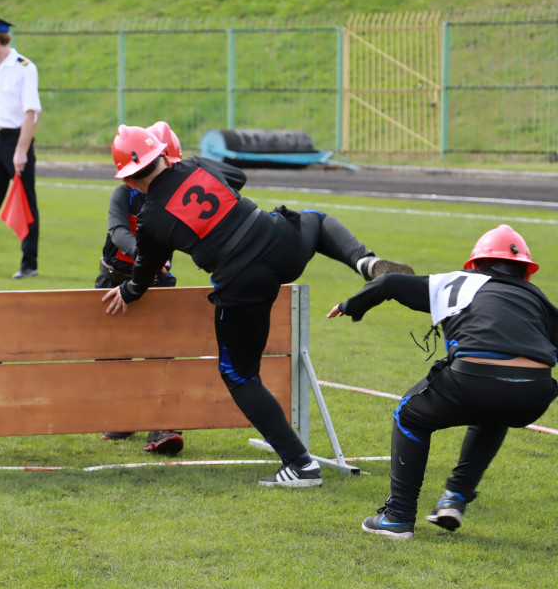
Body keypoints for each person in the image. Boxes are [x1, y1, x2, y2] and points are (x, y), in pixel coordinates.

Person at [101, 124, 414, 488]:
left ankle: (300, 465)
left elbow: (146, 269)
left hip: (242, 280)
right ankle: (363, 261)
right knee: (315, 219)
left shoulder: (152, 216)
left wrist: (128, 291)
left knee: (239, 375)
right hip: (277, 240)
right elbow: (239, 176)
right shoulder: (197, 165)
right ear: (162, 154)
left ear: (128, 178)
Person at [328, 224, 558, 540]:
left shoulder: (461, 281)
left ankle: (397, 517)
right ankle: (455, 498)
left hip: (472, 379)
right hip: (533, 393)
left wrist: (351, 306)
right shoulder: (539, 300)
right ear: (527, 274)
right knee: (496, 412)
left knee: (409, 416)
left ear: (475, 265)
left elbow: (390, 282)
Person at [96, 121, 182, 455]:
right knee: (112, 353)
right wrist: (143, 255)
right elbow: (118, 231)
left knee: (160, 352)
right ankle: (124, 416)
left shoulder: (177, 196)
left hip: (157, 282)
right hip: (114, 278)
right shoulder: (123, 194)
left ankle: (162, 425)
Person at [0, 16, 42, 279]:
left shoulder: (25, 67)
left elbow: (30, 112)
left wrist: (21, 150)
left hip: (16, 139)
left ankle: (29, 263)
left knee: (26, 202)